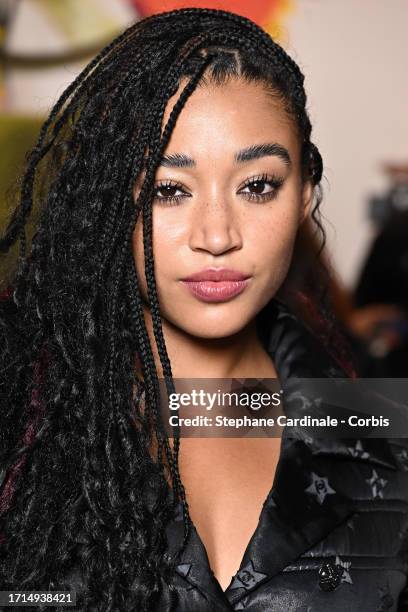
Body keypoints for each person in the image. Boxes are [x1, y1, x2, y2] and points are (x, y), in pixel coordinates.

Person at [0, 8, 407, 612]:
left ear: (303, 198)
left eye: (256, 186)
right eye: (169, 190)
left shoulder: (387, 437)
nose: (217, 236)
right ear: (108, 205)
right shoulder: (21, 427)